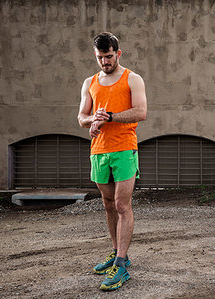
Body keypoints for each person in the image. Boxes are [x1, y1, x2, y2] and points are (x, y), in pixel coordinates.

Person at [77, 32, 147, 291]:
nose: (105, 62)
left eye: (108, 56)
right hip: (99, 151)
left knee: (121, 204)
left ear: (119, 53)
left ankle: (122, 265)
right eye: (100, 57)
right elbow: (81, 118)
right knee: (108, 204)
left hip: (124, 149)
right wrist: (93, 119)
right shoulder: (90, 82)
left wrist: (109, 117)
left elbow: (141, 112)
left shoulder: (133, 79)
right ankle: (118, 252)